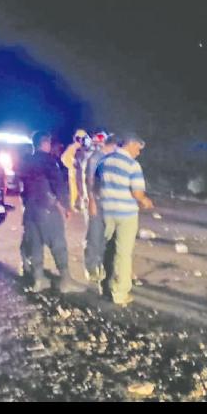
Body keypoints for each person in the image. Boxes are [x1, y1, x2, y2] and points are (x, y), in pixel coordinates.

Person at [19, 131, 86, 294]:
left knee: (35, 246)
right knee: (58, 244)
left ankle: (39, 279)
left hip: (30, 211)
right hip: (46, 209)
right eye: (49, 142)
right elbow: (58, 186)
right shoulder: (49, 161)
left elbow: (21, 187)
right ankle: (65, 280)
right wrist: (66, 207)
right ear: (45, 143)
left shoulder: (25, 161)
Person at [96, 132, 153, 306]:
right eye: (137, 148)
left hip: (106, 212)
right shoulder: (132, 165)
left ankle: (104, 286)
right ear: (130, 145)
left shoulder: (104, 161)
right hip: (126, 215)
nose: (138, 152)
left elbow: (95, 185)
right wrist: (145, 201)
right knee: (123, 254)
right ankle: (120, 293)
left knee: (107, 250)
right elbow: (137, 193)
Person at [84, 132, 117, 283]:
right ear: (113, 145)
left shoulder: (110, 158)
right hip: (97, 201)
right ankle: (91, 268)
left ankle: (101, 267)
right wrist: (91, 201)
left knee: (105, 237)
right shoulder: (96, 158)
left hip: (108, 203)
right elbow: (90, 181)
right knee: (94, 236)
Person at [60, 129, 88, 212]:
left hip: (79, 174)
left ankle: (79, 205)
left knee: (80, 190)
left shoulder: (79, 147)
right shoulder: (74, 147)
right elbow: (64, 158)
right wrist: (73, 166)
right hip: (76, 174)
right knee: (77, 190)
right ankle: (77, 205)